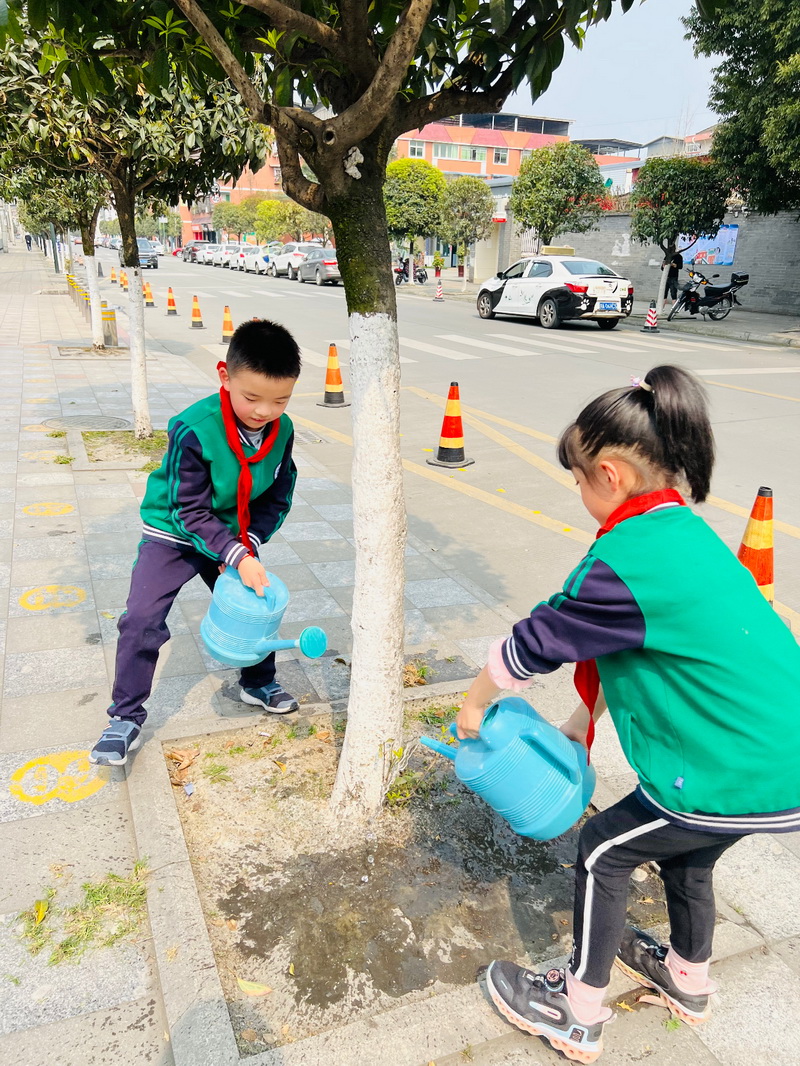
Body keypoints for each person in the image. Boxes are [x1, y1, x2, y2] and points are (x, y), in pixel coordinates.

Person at [456, 365, 800, 1063]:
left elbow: (534, 642)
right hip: (780, 761)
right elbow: (637, 644)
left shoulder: (624, 559)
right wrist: (581, 721)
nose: (580, 493)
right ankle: (688, 979)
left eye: (579, 480)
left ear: (610, 476)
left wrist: (473, 703)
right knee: (690, 860)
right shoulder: (684, 534)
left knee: (602, 850)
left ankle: (576, 1009)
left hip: (726, 769)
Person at [90, 319, 302, 767]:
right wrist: (235, 554)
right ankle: (124, 718)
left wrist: (247, 546)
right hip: (174, 532)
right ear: (224, 376)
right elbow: (189, 509)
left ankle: (257, 682)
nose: (264, 411)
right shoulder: (194, 428)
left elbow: (279, 494)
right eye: (251, 398)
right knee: (141, 619)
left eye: (280, 400)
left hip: (232, 535)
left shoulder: (282, 431)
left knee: (256, 604)